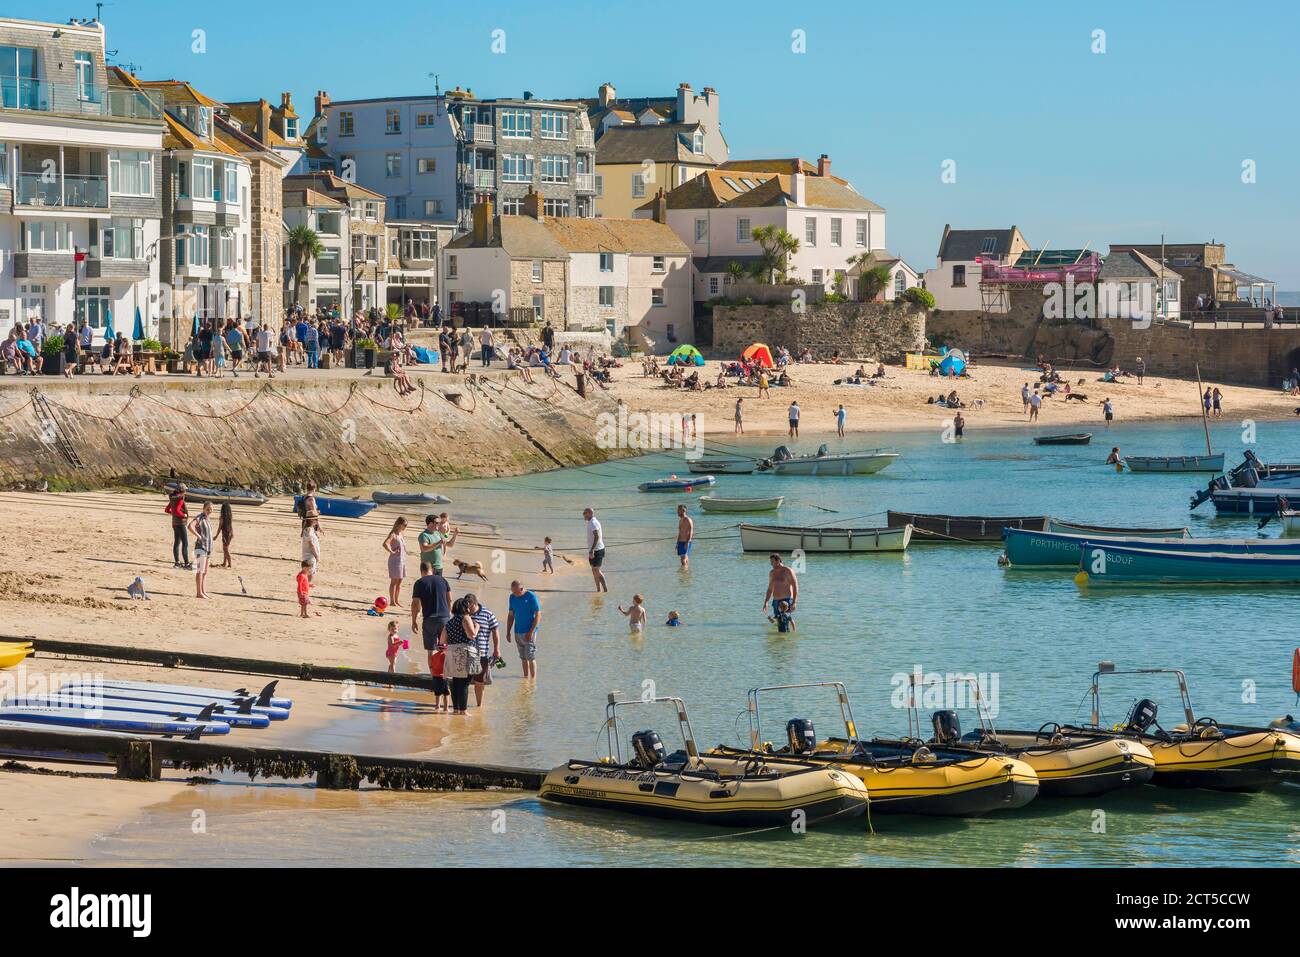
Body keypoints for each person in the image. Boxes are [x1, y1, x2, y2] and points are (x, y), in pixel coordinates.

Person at [410, 560, 452, 678]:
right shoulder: (443, 580)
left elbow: (415, 603)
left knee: (430, 651)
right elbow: (450, 599)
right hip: (444, 618)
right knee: (445, 649)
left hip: (429, 619)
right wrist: (448, 614)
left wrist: (414, 621)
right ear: (432, 569)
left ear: (421, 571)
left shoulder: (419, 582)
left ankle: (434, 676)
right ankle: (445, 675)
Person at [442, 595, 479, 715]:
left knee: (456, 681)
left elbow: (442, 641)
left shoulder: (449, 622)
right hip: (465, 650)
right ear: (465, 608)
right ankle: (463, 710)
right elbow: (471, 635)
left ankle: (456, 709)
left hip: (452, 650)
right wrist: (477, 627)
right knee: (465, 683)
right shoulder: (465, 618)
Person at [469, 598, 501, 707]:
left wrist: (497, 649)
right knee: (463, 681)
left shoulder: (488, 614)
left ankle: (479, 706)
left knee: (480, 681)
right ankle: (461, 706)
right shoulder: (464, 613)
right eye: (467, 607)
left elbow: (495, 632)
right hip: (465, 653)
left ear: (476, 603)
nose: (469, 609)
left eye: (470, 607)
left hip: (482, 653)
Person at [507, 580, 541, 679]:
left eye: (516, 592)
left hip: (530, 631)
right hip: (518, 631)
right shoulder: (512, 597)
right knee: (523, 657)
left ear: (521, 589)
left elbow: (538, 614)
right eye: (512, 591)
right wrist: (508, 631)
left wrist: (531, 632)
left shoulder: (531, 596)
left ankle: (533, 680)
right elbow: (510, 615)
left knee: (530, 656)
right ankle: (525, 678)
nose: (514, 594)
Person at [189, 501, 214, 598]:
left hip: (208, 548)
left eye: (211, 509)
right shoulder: (200, 517)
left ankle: (203, 591)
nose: (209, 511)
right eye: (208, 509)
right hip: (201, 547)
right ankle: (198, 593)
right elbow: (190, 526)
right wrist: (198, 536)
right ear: (203, 509)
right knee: (200, 570)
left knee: (205, 571)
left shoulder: (208, 519)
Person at [382, 517, 408, 610]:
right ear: (399, 524)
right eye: (404, 525)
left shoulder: (401, 534)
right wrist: (392, 551)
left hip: (402, 560)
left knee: (399, 581)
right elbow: (385, 543)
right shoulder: (393, 534)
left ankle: (396, 600)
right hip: (395, 561)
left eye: (406, 525)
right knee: (394, 581)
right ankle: (392, 601)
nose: (405, 527)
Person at [762, 553, 798, 619]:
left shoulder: (788, 571)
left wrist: (794, 602)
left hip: (786, 601)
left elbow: (795, 586)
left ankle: (792, 629)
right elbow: (770, 589)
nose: (771, 564)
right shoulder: (772, 573)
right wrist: (766, 602)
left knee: (785, 621)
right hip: (776, 601)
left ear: (778, 561)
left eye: (772, 562)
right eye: (770, 562)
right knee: (777, 622)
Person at [167, 484, 191, 569]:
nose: (186, 492)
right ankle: (187, 564)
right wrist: (183, 515)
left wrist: (174, 514)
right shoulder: (180, 499)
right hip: (181, 523)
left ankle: (177, 562)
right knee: (185, 543)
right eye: (185, 490)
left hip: (174, 523)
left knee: (177, 542)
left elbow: (167, 510)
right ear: (182, 491)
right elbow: (177, 511)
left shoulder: (172, 498)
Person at [583, 506, 607, 592]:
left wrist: (592, 550)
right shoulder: (590, 522)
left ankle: (605, 590)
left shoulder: (593, 522)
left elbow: (597, 536)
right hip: (593, 550)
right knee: (594, 570)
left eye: (585, 513)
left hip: (597, 550)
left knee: (597, 570)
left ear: (589, 513)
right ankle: (598, 589)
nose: (583, 515)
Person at [674, 503, 694, 569]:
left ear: (683, 510)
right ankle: (686, 571)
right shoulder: (680, 521)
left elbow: (691, 531)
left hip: (686, 541)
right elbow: (680, 533)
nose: (677, 512)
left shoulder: (688, 520)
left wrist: (687, 542)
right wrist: (677, 543)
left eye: (678, 511)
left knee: (683, 559)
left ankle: (684, 574)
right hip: (680, 541)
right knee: (684, 558)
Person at [218, 503, 234, 569]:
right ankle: (224, 563)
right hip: (229, 533)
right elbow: (230, 525)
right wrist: (232, 533)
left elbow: (220, 527)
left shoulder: (222, 517)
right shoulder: (229, 516)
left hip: (225, 534)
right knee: (225, 548)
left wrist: (216, 536)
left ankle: (230, 564)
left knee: (225, 549)